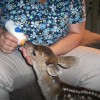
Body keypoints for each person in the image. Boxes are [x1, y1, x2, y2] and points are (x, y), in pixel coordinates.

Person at [0, 0, 100, 100]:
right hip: (16, 53)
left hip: (59, 52)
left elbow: (76, 33)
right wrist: (1, 36)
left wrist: (46, 55)